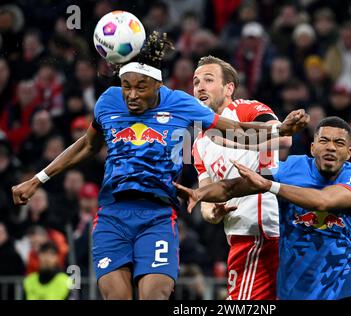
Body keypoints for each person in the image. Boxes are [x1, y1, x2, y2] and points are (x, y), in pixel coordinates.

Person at [11, 31, 309, 300]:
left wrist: (280, 130)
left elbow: (234, 130)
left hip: (158, 216)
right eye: (126, 86)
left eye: (141, 87)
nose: (131, 95)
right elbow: (87, 146)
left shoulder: (181, 104)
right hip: (112, 214)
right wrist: (37, 179)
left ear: (158, 85)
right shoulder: (108, 102)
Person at [174, 116, 351, 300]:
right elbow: (232, 187)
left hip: (339, 292)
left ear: (348, 152)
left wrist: (270, 186)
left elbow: (323, 201)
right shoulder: (291, 168)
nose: (331, 148)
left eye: (339, 143)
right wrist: (200, 194)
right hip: (291, 292)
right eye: (324, 141)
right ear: (312, 148)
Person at [192, 55, 292, 299]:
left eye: (208, 79)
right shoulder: (198, 143)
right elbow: (206, 197)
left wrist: (230, 138)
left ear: (229, 88)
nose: (200, 87)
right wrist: (211, 213)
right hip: (238, 236)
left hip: (262, 232)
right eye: (196, 82)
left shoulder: (246, 109)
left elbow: (284, 138)